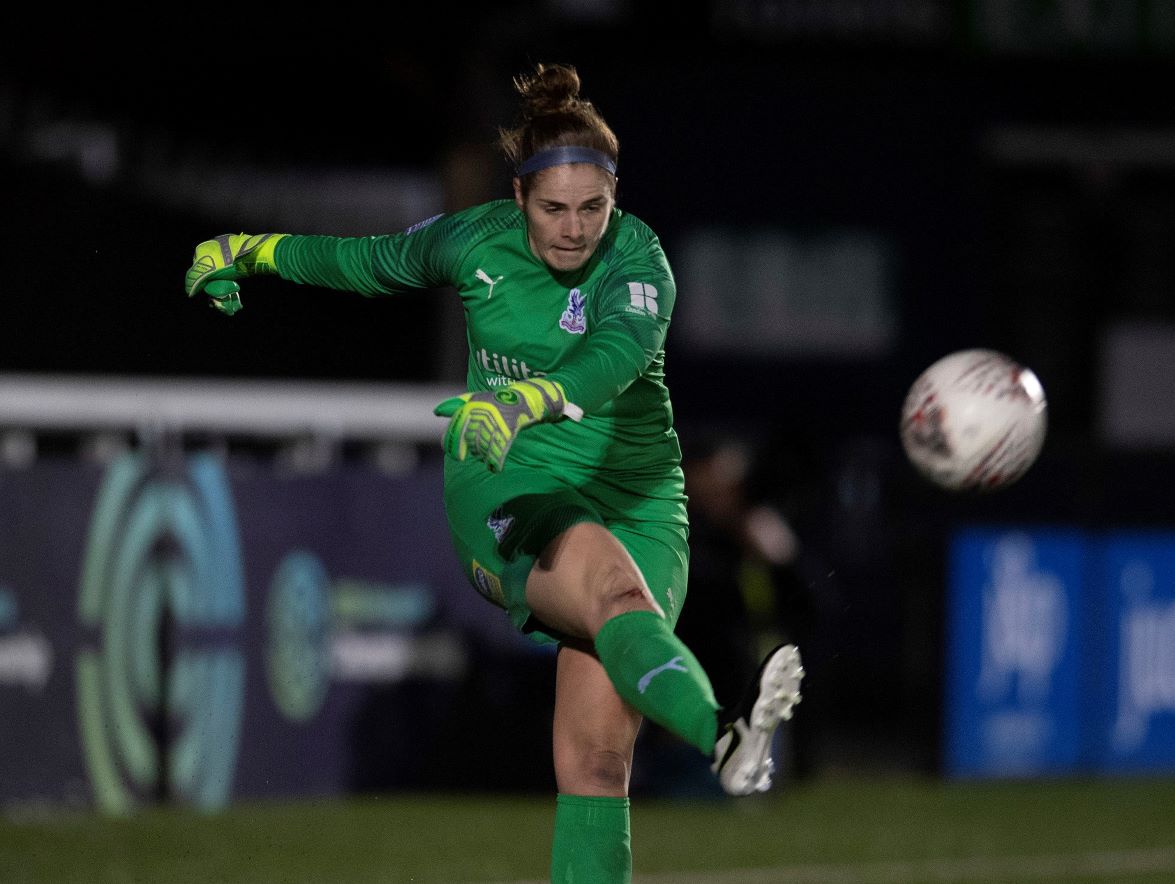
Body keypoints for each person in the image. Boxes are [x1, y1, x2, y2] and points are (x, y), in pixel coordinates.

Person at [184, 63, 803, 884]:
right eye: (554, 208)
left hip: (640, 498)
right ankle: (725, 733)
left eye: (594, 207)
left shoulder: (640, 258)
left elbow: (612, 357)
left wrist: (528, 397)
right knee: (614, 594)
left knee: (595, 765)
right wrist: (249, 250)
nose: (576, 228)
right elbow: (365, 262)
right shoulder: (474, 242)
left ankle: (724, 739)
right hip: (509, 481)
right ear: (519, 198)